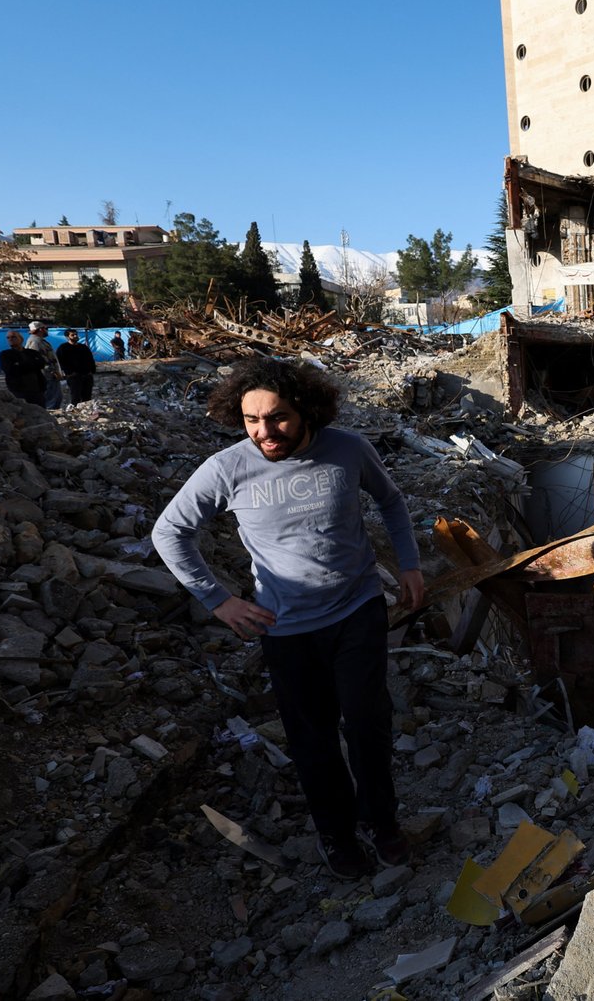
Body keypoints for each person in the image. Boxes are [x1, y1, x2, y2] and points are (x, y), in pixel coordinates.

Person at [152, 359, 424, 879]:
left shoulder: (348, 450)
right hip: (286, 627)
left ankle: (381, 821)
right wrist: (218, 600)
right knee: (311, 737)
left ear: (305, 411)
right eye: (251, 420)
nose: (264, 432)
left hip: (357, 608)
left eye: (277, 417)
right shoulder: (227, 468)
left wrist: (409, 564)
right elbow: (169, 531)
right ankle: (336, 833)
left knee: (367, 722)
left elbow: (390, 501)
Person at [0, 330, 47, 405]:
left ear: (21, 339)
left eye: (13, 337)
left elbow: (41, 364)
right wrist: (31, 364)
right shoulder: (5, 355)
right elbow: (10, 370)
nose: (10, 339)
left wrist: (20, 365)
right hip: (18, 390)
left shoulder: (32, 353)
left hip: (37, 389)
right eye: (8, 337)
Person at [26, 321, 64, 409]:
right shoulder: (35, 342)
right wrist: (53, 372)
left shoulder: (39, 341)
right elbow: (39, 360)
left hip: (49, 376)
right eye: (46, 328)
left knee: (56, 398)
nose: (47, 330)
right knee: (51, 401)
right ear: (41, 329)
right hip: (47, 376)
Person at [56, 329, 97, 405]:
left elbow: (91, 359)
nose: (75, 336)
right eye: (72, 335)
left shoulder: (83, 347)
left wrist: (92, 371)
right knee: (75, 397)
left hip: (87, 375)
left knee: (87, 397)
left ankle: (86, 410)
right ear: (67, 337)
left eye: (76, 334)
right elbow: (60, 362)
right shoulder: (63, 348)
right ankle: (75, 411)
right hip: (74, 377)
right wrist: (70, 373)